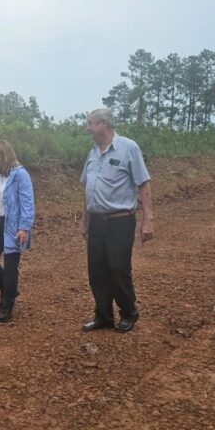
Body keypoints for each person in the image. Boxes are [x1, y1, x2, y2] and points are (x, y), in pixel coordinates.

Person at [80, 108, 154, 333]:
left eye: (90, 123)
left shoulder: (128, 148)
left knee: (117, 268)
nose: (87, 127)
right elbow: (87, 188)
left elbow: (143, 184)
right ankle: (103, 315)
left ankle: (129, 312)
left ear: (103, 124)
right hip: (97, 220)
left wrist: (148, 219)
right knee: (97, 270)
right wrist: (85, 220)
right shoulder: (93, 152)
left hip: (120, 221)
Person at [0, 140, 35, 323]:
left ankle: (7, 304)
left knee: (11, 267)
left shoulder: (20, 175)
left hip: (12, 225)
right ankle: (9, 290)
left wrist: (24, 227)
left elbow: (27, 202)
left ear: (6, 156)